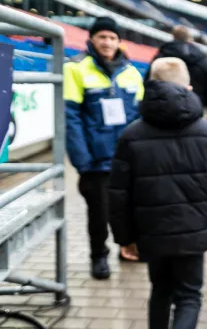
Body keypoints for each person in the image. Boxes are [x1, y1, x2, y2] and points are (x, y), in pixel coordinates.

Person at [108, 57, 207, 329]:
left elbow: (117, 193)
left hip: (151, 232)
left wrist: (125, 237)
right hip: (193, 229)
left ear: (151, 84)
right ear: (188, 87)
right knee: (189, 296)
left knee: (160, 291)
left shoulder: (131, 135)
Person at [64, 16, 143, 279]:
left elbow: (139, 118)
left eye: (112, 37)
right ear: (92, 39)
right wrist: (83, 161)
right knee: (98, 214)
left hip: (127, 159)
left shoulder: (132, 72)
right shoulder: (75, 69)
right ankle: (98, 256)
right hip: (96, 161)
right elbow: (70, 118)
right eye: (102, 37)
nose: (108, 42)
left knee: (129, 208)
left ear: (119, 41)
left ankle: (128, 248)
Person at [145, 26, 207, 124]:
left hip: (161, 114)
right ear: (189, 38)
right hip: (194, 112)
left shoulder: (160, 56)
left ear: (173, 36)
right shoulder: (202, 60)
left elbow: (148, 83)